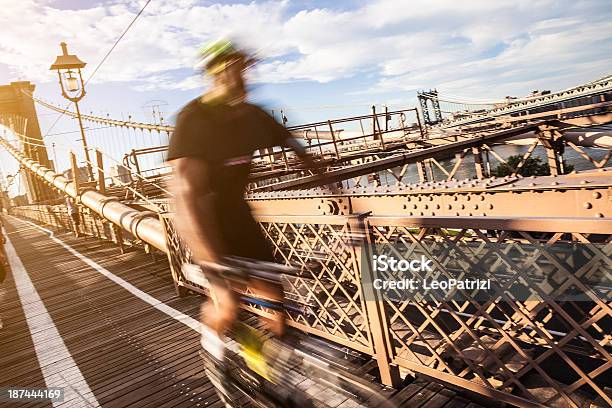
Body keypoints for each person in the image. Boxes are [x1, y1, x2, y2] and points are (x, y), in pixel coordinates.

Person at [167, 39, 319, 402]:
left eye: (246, 68)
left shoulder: (253, 115)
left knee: (275, 298)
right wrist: (212, 261)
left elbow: (297, 149)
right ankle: (214, 349)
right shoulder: (193, 119)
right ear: (216, 73)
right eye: (235, 68)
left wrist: (338, 193)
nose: (244, 76)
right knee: (228, 303)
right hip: (201, 222)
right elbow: (186, 195)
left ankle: (271, 372)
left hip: (239, 217)